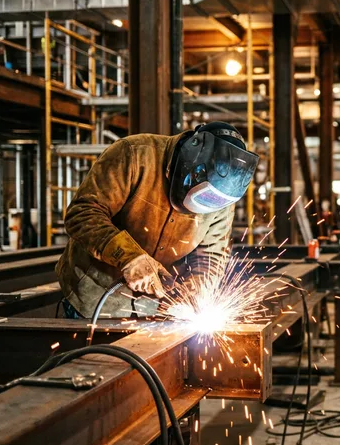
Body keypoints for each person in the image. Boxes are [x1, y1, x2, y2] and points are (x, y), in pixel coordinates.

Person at [57, 121, 259, 320]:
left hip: (157, 308)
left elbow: (211, 254)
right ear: (191, 159)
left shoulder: (221, 195)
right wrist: (129, 257)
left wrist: (196, 290)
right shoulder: (133, 154)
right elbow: (83, 214)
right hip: (94, 299)